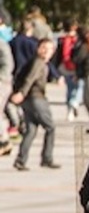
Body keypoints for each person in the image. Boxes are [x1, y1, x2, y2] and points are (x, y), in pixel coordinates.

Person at [11, 38, 57, 171]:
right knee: (50, 127)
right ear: (38, 48)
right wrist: (22, 93)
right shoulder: (38, 62)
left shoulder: (38, 62)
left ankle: (21, 160)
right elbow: (29, 79)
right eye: (44, 48)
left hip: (29, 100)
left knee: (30, 130)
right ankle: (47, 158)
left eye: (50, 49)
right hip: (36, 98)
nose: (47, 51)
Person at [54, 20, 81, 122]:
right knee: (80, 87)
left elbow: (58, 56)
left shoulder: (62, 40)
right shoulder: (77, 39)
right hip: (76, 68)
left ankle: (70, 110)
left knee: (70, 89)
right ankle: (75, 102)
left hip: (64, 68)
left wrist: (57, 72)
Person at [0, 23, 13, 156]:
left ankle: (4, 140)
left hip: (2, 83)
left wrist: (2, 79)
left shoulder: (2, 44)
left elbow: (8, 64)